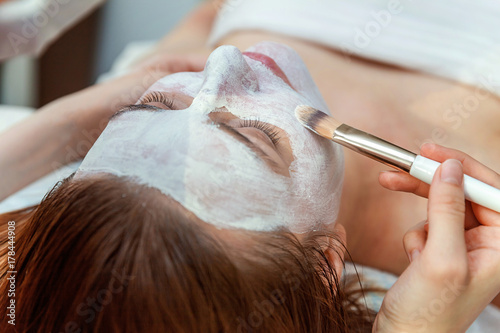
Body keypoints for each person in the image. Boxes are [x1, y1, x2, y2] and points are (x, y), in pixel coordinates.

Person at [0, 0, 499, 331]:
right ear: (325, 261)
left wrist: (61, 126)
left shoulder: (159, 73)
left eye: (151, 108)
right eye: (253, 135)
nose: (221, 62)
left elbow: (215, 11)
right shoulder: (486, 237)